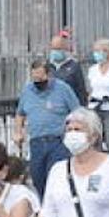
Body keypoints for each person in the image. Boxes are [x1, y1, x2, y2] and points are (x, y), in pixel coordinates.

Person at [15, 57, 81, 206]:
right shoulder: (28, 90)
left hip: (58, 141)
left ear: (49, 75)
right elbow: (20, 114)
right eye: (34, 77)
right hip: (36, 141)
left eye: (40, 76)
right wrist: (18, 132)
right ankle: (46, 205)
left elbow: (77, 112)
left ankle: (59, 206)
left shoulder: (63, 89)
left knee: (56, 176)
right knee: (38, 177)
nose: (37, 80)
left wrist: (73, 131)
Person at [47, 31, 88, 108]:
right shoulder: (47, 65)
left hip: (69, 106)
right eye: (53, 49)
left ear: (65, 49)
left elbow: (81, 90)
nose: (55, 52)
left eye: (58, 49)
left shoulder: (74, 66)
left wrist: (82, 107)